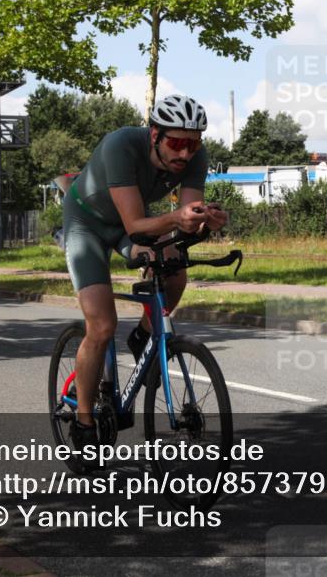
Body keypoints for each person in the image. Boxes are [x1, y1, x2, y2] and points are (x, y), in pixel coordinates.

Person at [62, 94, 228, 453]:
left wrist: (206, 224)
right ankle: (84, 422)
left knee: (174, 268)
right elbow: (139, 223)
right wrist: (177, 219)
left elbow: (185, 222)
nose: (185, 153)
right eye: (177, 143)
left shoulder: (196, 157)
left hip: (129, 224)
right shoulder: (121, 144)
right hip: (86, 223)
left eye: (193, 144)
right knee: (102, 326)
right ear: (155, 134)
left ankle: (145, 334)